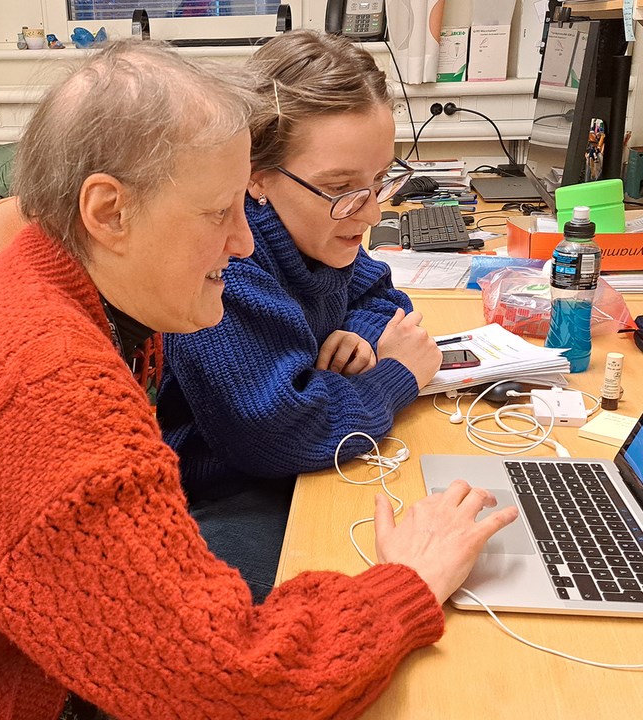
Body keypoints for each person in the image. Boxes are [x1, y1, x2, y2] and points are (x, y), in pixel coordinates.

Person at [0, 42, 516, 719]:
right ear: (107, 211)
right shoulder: (42, 378)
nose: (242, 244)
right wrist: (404, 585)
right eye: (218, 214)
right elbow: (233, 686)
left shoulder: (76, 301)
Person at [158, 30, 442, 603]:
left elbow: (383, 296)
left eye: (381, 181)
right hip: (226, 488)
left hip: (297, 459)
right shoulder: (229, 268)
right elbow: (278, 431)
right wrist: (395, 376)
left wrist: (359, 337)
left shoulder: (317, 231)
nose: (372, 210)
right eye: (341, 187)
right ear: (255, 174)